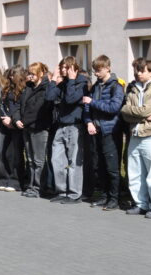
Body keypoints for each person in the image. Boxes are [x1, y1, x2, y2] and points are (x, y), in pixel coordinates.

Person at [121, 58, 151, 218]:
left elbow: (141, 111)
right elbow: (125, 112)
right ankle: (140, 204)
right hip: (135, 135)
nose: (138, 73)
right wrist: (143, 117)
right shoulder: (133, 90)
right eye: (137, 70)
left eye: (142, 70)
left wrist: (139, 114)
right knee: (135, 172)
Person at [82, 55, 125, 210]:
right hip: (96, 130)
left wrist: (93, 102)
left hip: (110, 131)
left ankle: (114, 198)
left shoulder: (116, 86)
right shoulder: (95, 86)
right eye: (95, 71)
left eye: (99, 70)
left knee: (112, 167)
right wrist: (88, 122)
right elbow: (87, 107)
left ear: (107, 68)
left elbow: (114, 108)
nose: (96, 74)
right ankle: (105, 196)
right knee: (100, 166)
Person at [46, 56, 88, 203]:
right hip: (61, 125)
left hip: (74, 126)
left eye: (66, 67)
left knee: (74, 162)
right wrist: (53, 79)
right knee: (56, 160)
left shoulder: (82, 82)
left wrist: (71, 80)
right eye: (61, 67)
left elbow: (71, 99)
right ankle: (62, 191)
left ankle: (74, 194)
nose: (63, 70)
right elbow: (50, 97)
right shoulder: (63, 83)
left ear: (73, 68)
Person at [17, 62, 52, 198]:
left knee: (38, 160)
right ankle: (31, 185)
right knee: (30, 160)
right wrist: (17, 119)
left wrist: (23, 121)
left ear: (41, 74)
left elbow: (38, 110)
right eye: (29, 74)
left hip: (39, 128)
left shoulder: (46, 88)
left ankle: (39, 187)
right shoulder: (28, 88)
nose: (30, 76)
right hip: (26, 127)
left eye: (33, 74)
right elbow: (21, 105)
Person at [0, 66, 26, 192]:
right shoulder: (6, 89)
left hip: (17, 125)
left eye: (13, 75)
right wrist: (4, 118)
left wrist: (12, 120)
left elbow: (21, 108)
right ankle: (3, 178)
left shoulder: (24, 89)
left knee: (14, 155)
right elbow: (1, 104)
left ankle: (16, 181)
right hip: (5, 124)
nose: (10, 77)